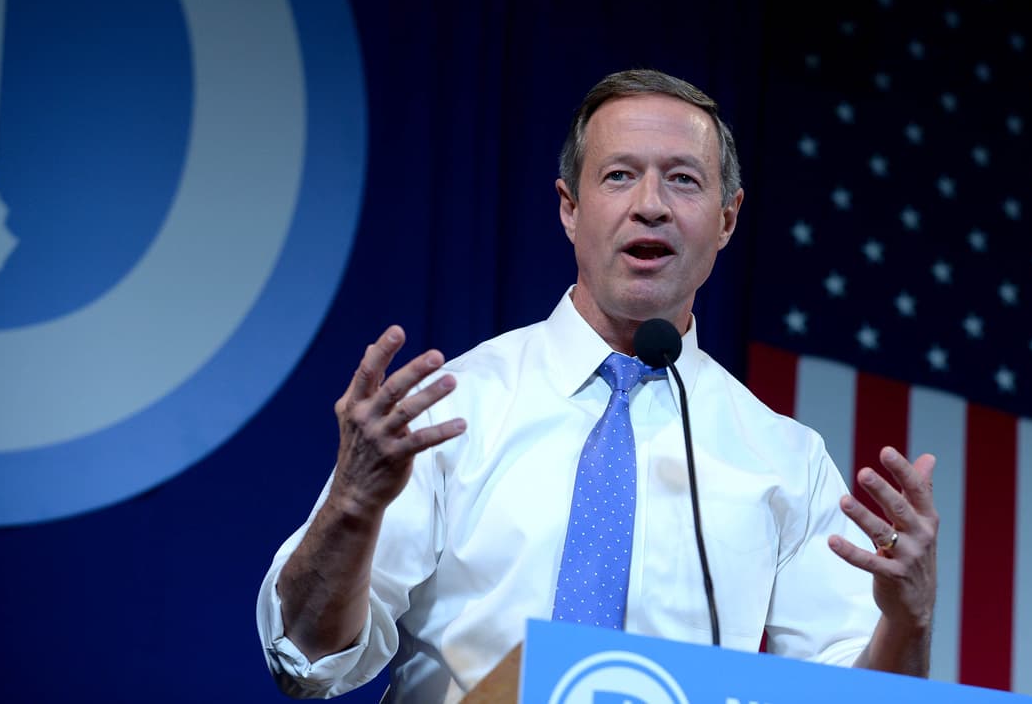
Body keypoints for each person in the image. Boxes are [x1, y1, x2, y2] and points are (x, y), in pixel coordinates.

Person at [256, 69, 939, 701]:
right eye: (619, 176)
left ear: (727, 219)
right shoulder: (454, 407)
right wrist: (352, 505)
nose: (651, 205)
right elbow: (309, 656)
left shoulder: (786, 459)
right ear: (569, 208)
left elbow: (864, 700)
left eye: (683, 180)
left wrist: (909, 622)